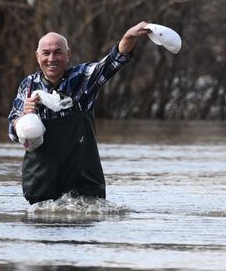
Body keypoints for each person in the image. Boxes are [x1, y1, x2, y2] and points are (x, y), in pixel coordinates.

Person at [8, 21, 150, 204]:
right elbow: (12, 132)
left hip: (83, 183)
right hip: (41, 183)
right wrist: (24, 118)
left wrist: (128, 36)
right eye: (46, 53)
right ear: (37, 56)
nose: (52, 58)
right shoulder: (28, 85)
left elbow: (115, 60)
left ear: (68, 55)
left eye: (58, 52)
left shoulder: (84, 78)